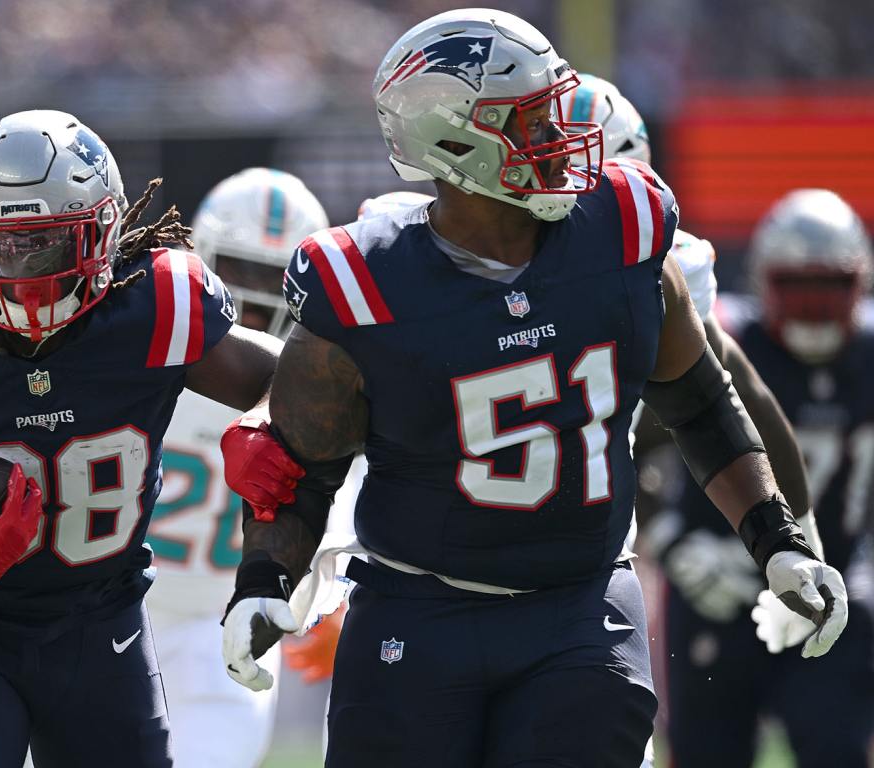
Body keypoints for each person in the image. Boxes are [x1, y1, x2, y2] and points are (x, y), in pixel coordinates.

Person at [219, 9, 848, 767]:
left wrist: (779, 541)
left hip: (579, 609)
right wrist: (262, 579)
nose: (564, 133)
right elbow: (305, 462)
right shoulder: (366, 281)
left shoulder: (627, 225)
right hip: (419, 607)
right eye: (534, 119)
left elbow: (702, 400)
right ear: (453, 142)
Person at [0, 111, 296, 768]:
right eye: (5, 243)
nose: (27, 270)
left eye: (51, 243)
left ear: (106, 231)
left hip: (101, 624)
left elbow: (296, 381)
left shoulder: (157, 306)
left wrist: (263, 430)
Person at [558, 73, 822, 767]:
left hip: (582, 572)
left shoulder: (670, 272)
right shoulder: (464, 263)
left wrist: (795, 544)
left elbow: (728, 402)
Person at [658, 189, 874, 768]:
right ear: (762, 281)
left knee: (836, 746)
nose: (814, 308)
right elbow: (629, 448)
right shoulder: (725, 341)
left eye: (830, 289)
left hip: (833, 586)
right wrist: (676, 545)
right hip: (717, 579)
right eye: (798, 288)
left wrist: (862, 570)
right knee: (707, 753)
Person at [143, 167, 328, 768]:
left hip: (222, 628)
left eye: (275, 277)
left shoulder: (321, 387)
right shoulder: (146, 355)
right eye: (243, 270)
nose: (260, 297)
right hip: (108, 608)